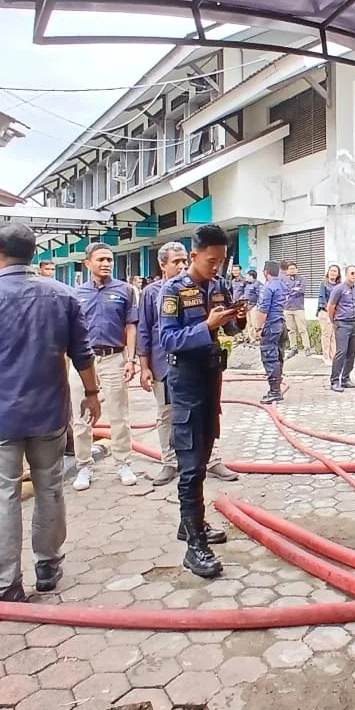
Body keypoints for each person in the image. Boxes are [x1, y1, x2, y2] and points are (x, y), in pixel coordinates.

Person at [0, 222, 98, 602]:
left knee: (3, 497)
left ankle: (4, 584)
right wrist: (92, 393)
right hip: (49, 412)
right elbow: (83, 352)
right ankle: (48, 564)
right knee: (50, 489)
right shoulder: (63, 296)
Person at [158, 224, 246, 579]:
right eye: (211, 261)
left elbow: (229, 330)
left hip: (212, 378)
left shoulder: (220, 286)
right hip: (186, 383)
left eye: (222, 261)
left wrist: (234, 321)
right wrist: (207, 326)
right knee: (191, 463)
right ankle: (195, 547)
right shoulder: (173, 291)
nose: (217, 267)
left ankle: (191, 523)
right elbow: (168, 339)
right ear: (193, 256)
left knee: (205, 452)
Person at [69, 243, 139, 491]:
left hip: (114, 359)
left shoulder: (125, 291)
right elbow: (69, 332)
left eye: (109, 259)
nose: (106, 263)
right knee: (80, 417)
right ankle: (84, 466)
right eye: (100, 259)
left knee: (119, 415)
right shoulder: (76, 294)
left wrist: (131, 360)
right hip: (83, 362)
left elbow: (131, 326)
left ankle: (123, 462)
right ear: (87, 263)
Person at [138, 242, 187, 487]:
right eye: (175, 262)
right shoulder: (150, 293)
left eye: (183, 261)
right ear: (162, 265)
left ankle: (208, 460)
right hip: (162, 364)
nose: (181, 266)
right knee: (166, 414)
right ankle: (169, 462)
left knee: (200, 411)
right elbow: (144, 331)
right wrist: (144, 367)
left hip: (191, 363)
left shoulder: (195, 288)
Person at [253, 260, 288, 405]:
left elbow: (263, 310)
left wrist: (257, 328)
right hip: (281, 323)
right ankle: (277, 386)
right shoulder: (282, 285)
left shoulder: (267, 288)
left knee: (270, 357)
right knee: (278, 356)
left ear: (265, 273)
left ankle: (274, 391)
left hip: (271, 325)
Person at [328, 265, 355, 392]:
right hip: (342, 323)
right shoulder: (339, 289)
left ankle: (346, 378)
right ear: (346, 274)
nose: (354, 275)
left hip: (354, 323)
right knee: (341, 352)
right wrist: (333, 321)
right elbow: (331, 306)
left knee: (351, 353)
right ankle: (335, 380)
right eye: (352, 273)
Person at [282, 261, 312, 356]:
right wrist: (294, 290)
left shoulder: (302, 279)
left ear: (297, 269)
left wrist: (292, 291)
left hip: (299, 308)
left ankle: (307, 348)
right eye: (290, 269)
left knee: (302, 329)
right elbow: (284, 291)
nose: (292, 270)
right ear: (287, 271)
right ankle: (293, 348)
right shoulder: (284, 280)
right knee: (290, 330)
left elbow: (301, 290)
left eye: (293, 268)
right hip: (287, 308)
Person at [318, 264, 342, 362]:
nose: (332, 273)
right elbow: (322, 298)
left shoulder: (340, 286)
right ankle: (326, 356)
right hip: (325, 312)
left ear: (338, 274)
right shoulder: (323, 284)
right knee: (326, 335)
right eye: (331, 270)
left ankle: (333, 356)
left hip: (336, 313)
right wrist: (329, 310)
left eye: (335, 271)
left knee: (334, 336)